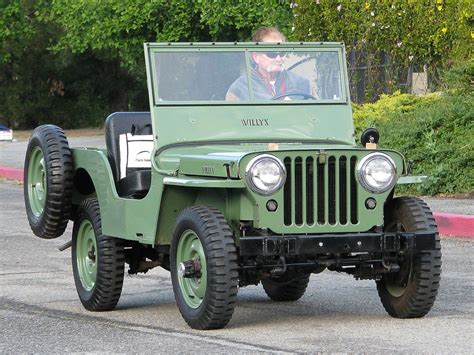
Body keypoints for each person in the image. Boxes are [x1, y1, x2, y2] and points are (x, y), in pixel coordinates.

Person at [226, 27, 311, 101]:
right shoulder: (240, 88)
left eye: (282, 53)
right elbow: (232, 117)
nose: (278, 59)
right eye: (272, 54)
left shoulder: (300, 82)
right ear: (256, 57)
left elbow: (314, 113)